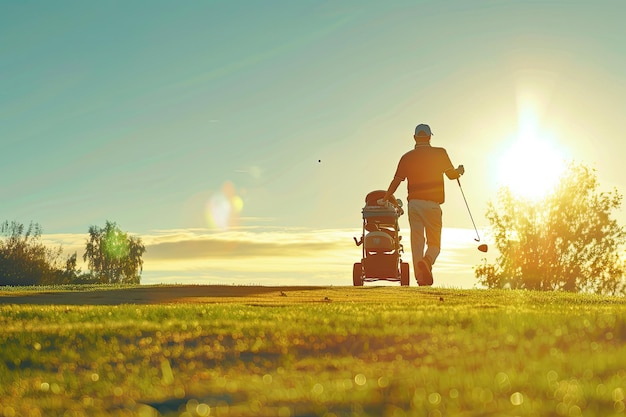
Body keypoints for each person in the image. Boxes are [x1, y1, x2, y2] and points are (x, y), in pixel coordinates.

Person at [381, 124, 464, 286]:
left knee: (417, 243)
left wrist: (385, 197)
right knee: (434, 244)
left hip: (414, 204)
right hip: (433, 205)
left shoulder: (407, 157)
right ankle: (428, 261)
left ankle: (421, 279)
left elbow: (396, 181)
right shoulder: (440, 153)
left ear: (414, 138)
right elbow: (452, 175)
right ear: (430, 137)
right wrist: (460, 170)